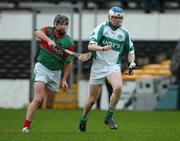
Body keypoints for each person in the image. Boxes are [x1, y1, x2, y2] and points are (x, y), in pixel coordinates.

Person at [79, 6, 136, 132]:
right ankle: (84, 117)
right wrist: (102, 48)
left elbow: (131, 50)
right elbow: (90, 46)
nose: (117, 20)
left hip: (113, 66)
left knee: (118, 87)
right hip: (98, 66)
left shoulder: (124, 33)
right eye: (115, 17)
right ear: (109, 17)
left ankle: (109, 117)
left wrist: (132, 62)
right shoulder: (101, 28)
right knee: (92, 100)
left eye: (119, 18)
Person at [22, 15, 74, 133]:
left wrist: (64, 79)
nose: (63, 26)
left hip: (56, 72)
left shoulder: (68, 42)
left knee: (49, 104)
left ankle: (42, 111)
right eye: (60, 24)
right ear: (55, 24)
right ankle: (26, 126)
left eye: (66, 24)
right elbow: (36, 33)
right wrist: (48, 40)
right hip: (42, 67)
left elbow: (69, 63)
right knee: (38, 98)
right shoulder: (48, 31)